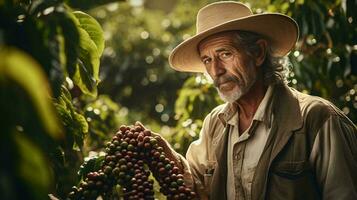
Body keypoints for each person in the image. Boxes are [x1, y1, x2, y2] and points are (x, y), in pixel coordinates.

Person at [138, 1, 357, 199]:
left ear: (259, 52)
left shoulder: (316, 119)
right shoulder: (215, 123)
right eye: (207, 59)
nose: (216, 70)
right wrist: (166, 157)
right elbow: (197, 192)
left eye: (225, 54)